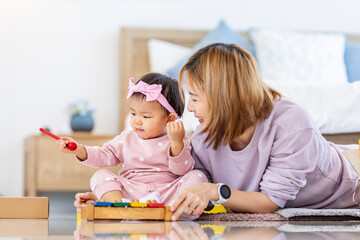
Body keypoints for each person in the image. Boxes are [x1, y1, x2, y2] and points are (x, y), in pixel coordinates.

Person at [170, 43, 360, 221]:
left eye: (195, 98)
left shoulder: (291, 122)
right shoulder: (204, 135)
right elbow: (199, 181)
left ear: (223, 96)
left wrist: (214, 192)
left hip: (352, 183)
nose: (190, 108)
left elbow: (271, 202)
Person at [57, 73, 208, 209]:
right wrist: (78, 149)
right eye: (133, 113)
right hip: (132, 193)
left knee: (198, 177)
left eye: (146, 116)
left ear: (169, 119)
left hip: (168, 194)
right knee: (100, 175)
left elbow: (182, 171)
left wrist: (176, 144)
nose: (137, 121)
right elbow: (103, 155)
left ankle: (179, 209)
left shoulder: (178, 138)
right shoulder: (126, 138)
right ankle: (119, 205)